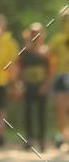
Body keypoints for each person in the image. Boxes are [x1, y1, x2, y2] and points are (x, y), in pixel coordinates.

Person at [17, 23, 53, 152]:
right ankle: (29, 138)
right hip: (27, 84)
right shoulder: (24, 51)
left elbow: (50, 70)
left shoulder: (46, 51)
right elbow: (19, 68)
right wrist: (19, 84)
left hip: (41, 84)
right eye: (32, 33)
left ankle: (42, 140)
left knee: (41, 113)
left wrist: (45, 85)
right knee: (28, 112)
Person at [48, 6, 69, 148]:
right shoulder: (57, 39)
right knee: (60, 107)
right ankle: (65, 137)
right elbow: (49, 57)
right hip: (62, 75)